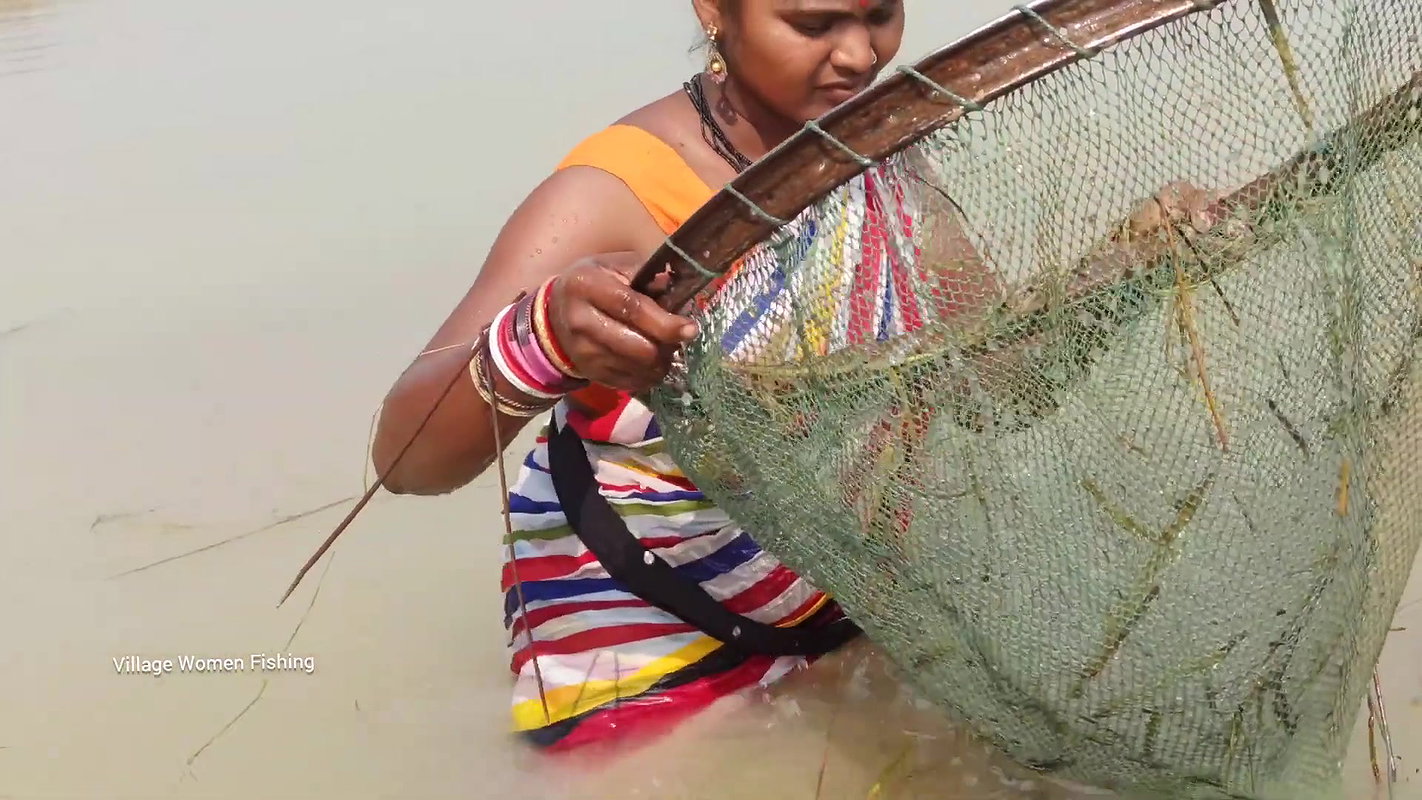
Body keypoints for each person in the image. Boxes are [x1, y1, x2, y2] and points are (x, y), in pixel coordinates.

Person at [370, 0, 1217, 752]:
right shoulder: (621, 190)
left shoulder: (879, 148)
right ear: (714, 12)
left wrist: (1120, 272)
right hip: (645, 631)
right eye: (814, 25)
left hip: (844, 597)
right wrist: (546, 334)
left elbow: (994, 388)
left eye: (880, 15)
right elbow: (408, 461)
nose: (858, 56)